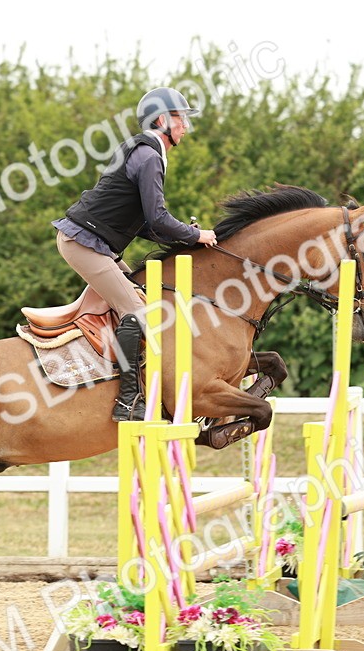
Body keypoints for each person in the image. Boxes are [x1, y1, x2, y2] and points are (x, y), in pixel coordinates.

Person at [53, 87, 218, 422]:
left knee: (142, 294)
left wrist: (186, 239)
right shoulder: (149, 156)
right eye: (180, 118)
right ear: (162, 120)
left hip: (95, 243)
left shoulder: (145, 152)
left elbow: (144, 223)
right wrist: (196, 234)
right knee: (137, 311)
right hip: (85, 243)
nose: (185, 126)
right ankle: (128, 402)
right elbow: (157, 219)